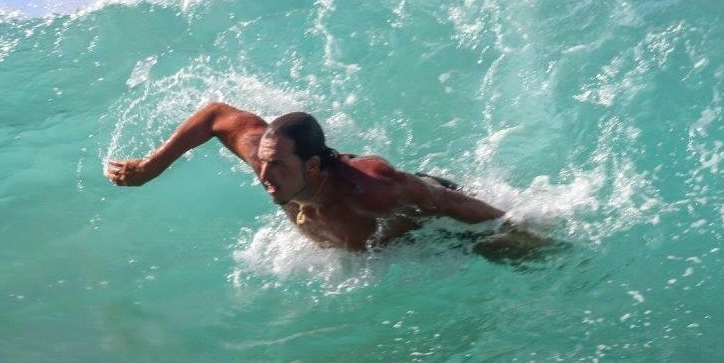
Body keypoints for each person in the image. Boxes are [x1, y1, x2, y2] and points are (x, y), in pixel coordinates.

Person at [104, 103, 552, 260]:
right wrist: (151, 167)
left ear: (313, 167)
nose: (263, 175)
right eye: (261, 162)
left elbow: (454, 207)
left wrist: (518, 229)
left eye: (277, 166)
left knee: (509, 252)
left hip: (432, 230)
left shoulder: (374, 188)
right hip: (366, 241)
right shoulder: (268, 154)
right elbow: (216, 115)